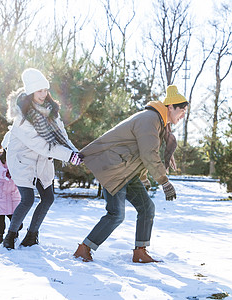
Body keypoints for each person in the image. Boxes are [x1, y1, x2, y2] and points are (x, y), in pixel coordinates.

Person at [73, 85, 188, 263]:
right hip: (112, 168)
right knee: (116, 214)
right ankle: (84, 248)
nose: (183, 115)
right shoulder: (149, 119)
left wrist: (143, 179)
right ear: (170, 107)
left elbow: (138, 154)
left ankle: (140, 252)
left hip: (126, 171)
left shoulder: (157, 122)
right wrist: (164, 181)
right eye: (182, 110)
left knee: (147, 208)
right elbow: (148, 154)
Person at [2, 68, 82, 249]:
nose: (43, 94)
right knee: (28, 199)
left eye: (45, 90)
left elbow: (62, 135)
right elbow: (41, 145)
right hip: (22, 160)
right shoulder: (21, 118)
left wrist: (75, 153)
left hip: (42, 161)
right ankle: (11, 235)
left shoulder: (51, 111)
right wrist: (69, 156)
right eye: (39, 90)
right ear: (30, 91)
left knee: (48, 198)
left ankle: (32, 235)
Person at [0, 147, 23, 244]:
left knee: (16, 216)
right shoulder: (0, 155)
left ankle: (14, 235)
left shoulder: (20, 155)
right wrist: (6, 173)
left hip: (13, 192)